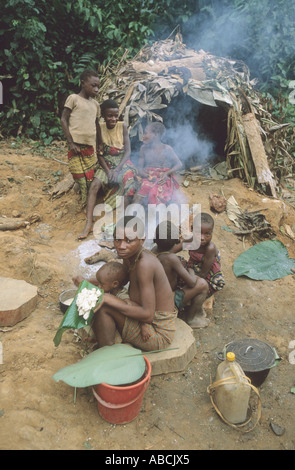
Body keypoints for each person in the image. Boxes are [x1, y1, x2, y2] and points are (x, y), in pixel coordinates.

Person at [91, 216, 178, 351]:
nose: (121, 246)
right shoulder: (130, 256)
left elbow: (148, 315)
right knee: (106, 293)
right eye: (117, 239)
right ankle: (109, 340)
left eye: (129, 240)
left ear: (142, 240)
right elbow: (115, 281)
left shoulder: (145, 264)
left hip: (157, 332)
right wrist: (87, 282)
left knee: (104, 306)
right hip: (143, 317)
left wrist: (107, 298)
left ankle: (107, 357)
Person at [78, 99, 137, 240]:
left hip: (122, 163)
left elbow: (128, 151)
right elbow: (99, 153)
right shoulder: (99, 127)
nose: (114, 119)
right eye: (110, 115)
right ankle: (88, 224)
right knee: (94, 185)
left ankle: (123, 225)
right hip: (106, 164)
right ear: (103, 115)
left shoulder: (122, 126)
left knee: (128, 183)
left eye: (116, 115)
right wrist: (109, 171)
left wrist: (117, 169)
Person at [150, 220, 210, 329]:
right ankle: (191, 319)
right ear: (176, 241)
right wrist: (190, 270)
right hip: (165, 303)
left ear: (155, 239)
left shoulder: (154, 251)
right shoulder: (171, 258)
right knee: (202, 284)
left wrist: (192, 239)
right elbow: (191, 283)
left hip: (152, 299)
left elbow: (179, 246)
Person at [60, 69, 103, 206]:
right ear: (83, 83)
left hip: (90, 146)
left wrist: (100, 143)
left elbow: (97, 125)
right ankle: (84, 200)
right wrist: (71, 142)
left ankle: (86, 202)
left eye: (98, 86)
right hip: (75, 146)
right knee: (78, 175)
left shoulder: (95, 104)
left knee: (89, 177)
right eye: (93, 85)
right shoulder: (73, 98)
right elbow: (63, 120)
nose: (96, 89)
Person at [174, 212, 225, 298]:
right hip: (194, 268)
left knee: (193, 288)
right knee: (174, 262)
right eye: (198, 233)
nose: (202, 237)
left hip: (207, 275)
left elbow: (203, 274)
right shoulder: (191, 240)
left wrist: (188, 279)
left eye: (207, 234)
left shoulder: (210, 248)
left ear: (212, 233)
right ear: (192, 229)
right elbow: (175, 249)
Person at [133, 122, 183, 206]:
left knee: (155, 193)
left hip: (163, 178)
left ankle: (157, 213)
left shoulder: (167, 149)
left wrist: (167, 173)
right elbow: (139, 169)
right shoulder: (143, 148)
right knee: (139, 195)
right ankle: (135, 214)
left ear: (156, 134)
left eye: (146, 133)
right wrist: (147, 176)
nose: (143, 136)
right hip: (148, 177)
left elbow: (179, 164)